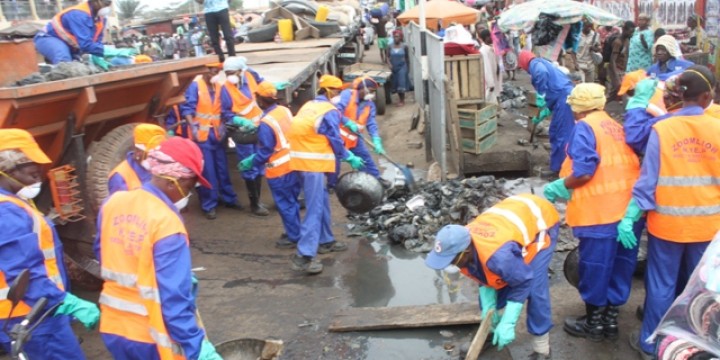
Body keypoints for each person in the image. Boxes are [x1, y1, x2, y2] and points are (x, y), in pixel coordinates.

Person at [619, 66, 719, 359]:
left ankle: (651, 343)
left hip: (667, 226)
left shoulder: (661, 129)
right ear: (705, 97)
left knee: (661, 286)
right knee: (698, 288)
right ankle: (694, 345)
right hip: (707, 227)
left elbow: (647, 183)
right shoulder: (718, 127)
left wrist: (630, 217)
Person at [96, 137, 222, 360]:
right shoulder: (166, 222)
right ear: (174, 181)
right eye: (190, 186)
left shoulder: (114, 203)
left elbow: (102, 252)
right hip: (150, 336)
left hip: (113, 327)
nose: (188, 194)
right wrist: (195, 345)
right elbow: (173, 299)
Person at [543, 83, 643, 342]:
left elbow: (585, 171)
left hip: (600, 214)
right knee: (621, 266)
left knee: (595, 268)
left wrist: (560, 186)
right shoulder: (616, 126)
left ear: (577, 108)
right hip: (629, 215)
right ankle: (611, 320)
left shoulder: (584, 127)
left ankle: (594, 323)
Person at [0, 129, 99, 359]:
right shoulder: (6, 212)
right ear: (7, 169)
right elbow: (23, 273)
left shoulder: (14, 202)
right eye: (32, 168)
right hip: (31, 315)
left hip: (35, 310)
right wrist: (65, 302)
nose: (40, 174)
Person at [424, 194, 560, 360]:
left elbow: (523, 281)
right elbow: (483, 274)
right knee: (500, 278)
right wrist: (489, 306)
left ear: (466, 251)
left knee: (534, 288)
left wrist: (509, 321)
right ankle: (488, 331)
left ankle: (542, 348)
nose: (451, 265)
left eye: (452, 260)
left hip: (541, 220)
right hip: (510, 220)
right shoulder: (461, 245)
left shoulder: (499, 257)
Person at [287, 75, 365, 274]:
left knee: (321, 201)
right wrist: (349, 156)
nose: (340, 95)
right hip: (312, 165)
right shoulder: (328, 110)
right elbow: (334, 139)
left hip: (302, 161)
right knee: (314, 209)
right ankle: (304, 256)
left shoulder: (311, 105)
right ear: (330, 92)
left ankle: (326, 240)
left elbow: (335, 119)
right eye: (338, 92)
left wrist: (348, 123)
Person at [238, 82, 301, 248]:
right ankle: (294, 229)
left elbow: (265, 151)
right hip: (294, 163)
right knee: (292, 201)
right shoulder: (284, 110)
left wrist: (252, 162)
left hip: (279, 170)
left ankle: (293, 236)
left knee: (285, 204)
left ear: (260, 100)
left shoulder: (267, 123)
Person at [179, 62, 242, 220]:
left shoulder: (220, 88)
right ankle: (209, 204)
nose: (212, 75)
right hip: (201, 137)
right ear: (204, 72)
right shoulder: (195, 87)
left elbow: (226, 110)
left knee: (222, 169)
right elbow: (187, 108)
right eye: (210, 72)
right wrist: (192, 125)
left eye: (215, 72)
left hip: (217, 136)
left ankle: (228, 198)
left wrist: (225, 126)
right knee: (208, 172)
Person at [220, 56, 270, 217]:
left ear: (242, 71)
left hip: (258, 126)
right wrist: (237, 119)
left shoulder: (250, 75)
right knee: (248, 165)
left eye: (232, 73)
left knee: (260, 161)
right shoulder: (226, 89)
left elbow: (261, 85)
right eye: (227, 73)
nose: (230, 76)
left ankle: (258, 200)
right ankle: (254, 204)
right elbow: (226, 113)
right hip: (242, 132)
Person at [34, 0, 136, 69]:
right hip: (49, 38)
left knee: (80, 68)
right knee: (65, 63)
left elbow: (96, 43)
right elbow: (86, 45)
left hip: (70, 46)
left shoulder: (101, 19)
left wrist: (98, 57)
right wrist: (113, 51)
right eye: (104, 3)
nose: (106, 6)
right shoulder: (78, 14)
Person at [518, 50, 575, 172]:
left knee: (562, 134)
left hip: (564, 98)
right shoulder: (543, 62)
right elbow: (553, 85)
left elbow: (542, 73)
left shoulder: (534, 64)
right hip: (561, 98)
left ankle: (562, 169)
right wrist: (546, 111)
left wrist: (541, 94)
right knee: (554, 131)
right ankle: (556, 165)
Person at [334, 77, 387, 185]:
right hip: (338, 137)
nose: (371, 94)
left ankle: (376, 179)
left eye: (373, 92)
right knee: (334, 164)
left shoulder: (369, 105)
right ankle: (332, 184)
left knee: (366, 159)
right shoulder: (347, 95)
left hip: (355, 138)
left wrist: (376, 139)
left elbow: (371, 123)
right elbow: (336, 111)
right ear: (363, 88)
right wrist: (347, 122)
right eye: (371, 91)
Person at [108, 124, 166, 195]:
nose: (156, 159)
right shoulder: (120, 178)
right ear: (138, 152)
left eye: (158, 154)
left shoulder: (161, 168)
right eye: (151, 155)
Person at [608, 21, 635, 101]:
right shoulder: (618, 42)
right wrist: (616, 76)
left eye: (632, 32)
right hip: (617, 70)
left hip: (622, 70)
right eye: (630, 32)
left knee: (616, 93)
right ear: (624, 30)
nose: (631, 34)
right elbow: (612, 60)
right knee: (621, 91)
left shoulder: (627, 40)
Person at [387, 29, 410, 106]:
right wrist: (389, 64)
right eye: (394, 37)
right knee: (396, 83)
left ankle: (402, 100)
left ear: (400, 37)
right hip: (394, 67)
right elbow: (387, 57)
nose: (395, 38)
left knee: (401, 83)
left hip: (402, 66)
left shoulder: (405, 46)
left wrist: (407, 68)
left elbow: (407, 57)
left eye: (397, 37)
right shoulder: (390, 46)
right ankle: (399, 98)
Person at [479, 29, 501, 103]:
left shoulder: (491, 48)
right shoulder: (483, 51)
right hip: (489, 82)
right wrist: (490, 83)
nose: (492, 38)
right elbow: (486, 68)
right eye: (491, 36)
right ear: (486, 38)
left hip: (494, 78)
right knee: (490, 101)